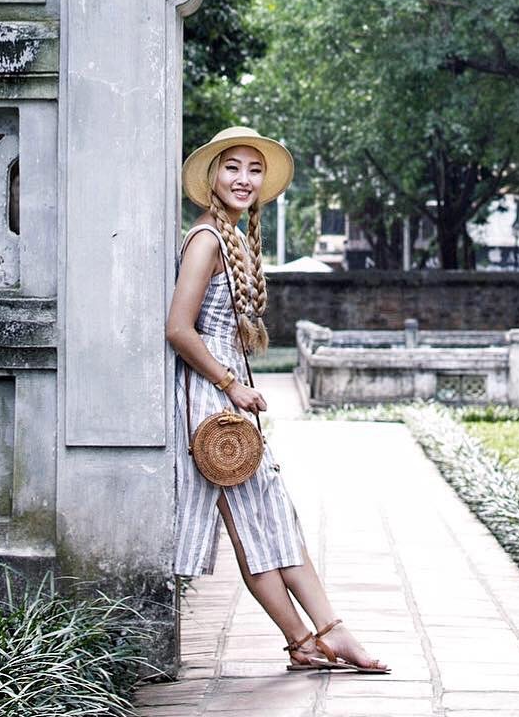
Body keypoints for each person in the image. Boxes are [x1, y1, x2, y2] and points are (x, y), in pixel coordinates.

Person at [166, 125, 390, 674]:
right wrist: (230, 384)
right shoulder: (206, 240)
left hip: (223, 402)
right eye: (232, 167)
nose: (244, 179)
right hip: (210, 405)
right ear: (212, 176)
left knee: (266, 521)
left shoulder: (233, 238)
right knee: (259, 521)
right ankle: (327, 635)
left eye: (254, 169)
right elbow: (178, 327)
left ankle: (310, 641)